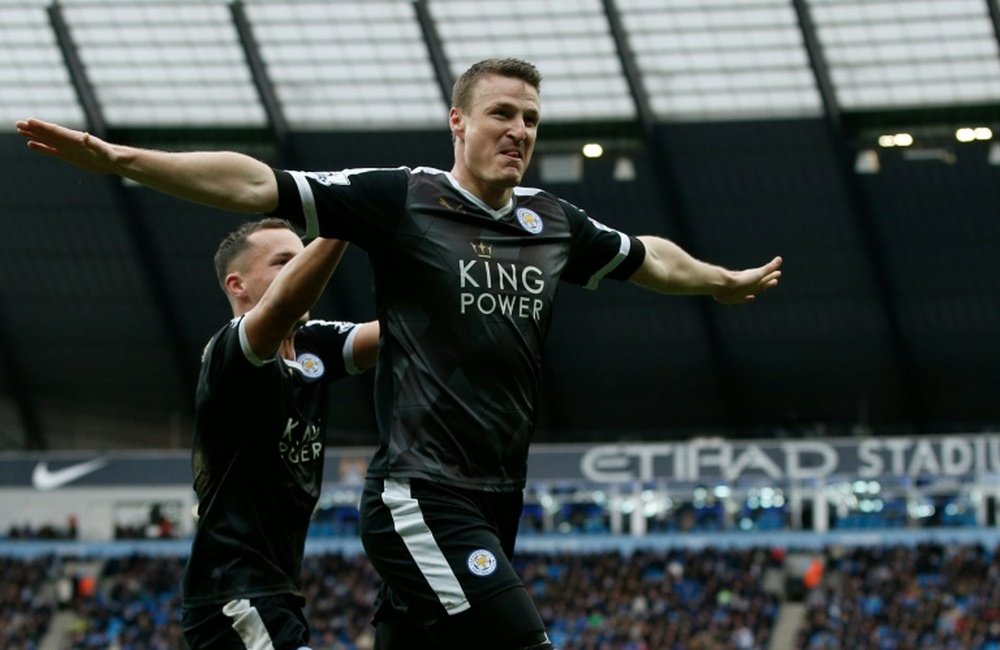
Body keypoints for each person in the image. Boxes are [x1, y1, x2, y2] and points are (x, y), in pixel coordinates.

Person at [17, 57, 781, 650]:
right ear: (458, 121)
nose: (519, 129)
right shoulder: (404, 199)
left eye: (533, 119)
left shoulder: (555, 223)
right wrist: (123, 160)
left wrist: (718, 283)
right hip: (423, 493)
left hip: (496, 493)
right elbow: (257, 182)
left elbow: (647, 257)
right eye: (502, 113)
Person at [180, 218, 378, 649]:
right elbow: (284, 304)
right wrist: (349, 217)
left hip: (277, 591)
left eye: (303, 255)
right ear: (238, 285)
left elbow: (400, 334)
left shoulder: (309, 344)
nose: (301, 266)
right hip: (234, 594)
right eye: (284, 261)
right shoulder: (233, 353)